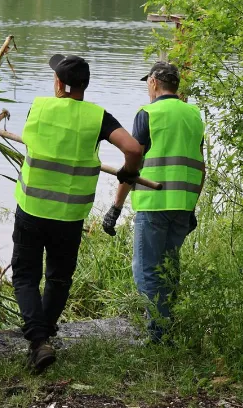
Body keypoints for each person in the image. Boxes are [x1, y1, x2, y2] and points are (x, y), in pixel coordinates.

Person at [13, 54, 144, 372]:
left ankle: (38, 339)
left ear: (58, 83)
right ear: (84, 86)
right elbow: (134, 149)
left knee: (25, 277)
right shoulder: (97, 118)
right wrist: (128, 173)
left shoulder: (39, 108)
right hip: (70, 215)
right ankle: (44, 335)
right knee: (58, 277)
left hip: (32, 208)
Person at [102, 62, 205, 343]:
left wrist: (116, 207)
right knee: (169, 268)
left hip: (153, 204)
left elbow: (133, 162)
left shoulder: (148, 113)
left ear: (154, 82)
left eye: (147, 81)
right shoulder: (194, 114)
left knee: (146, 269)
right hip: (182, 203)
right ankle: (167, 328)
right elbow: (200, 166)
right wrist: (192, 205)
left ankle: (159, 335)